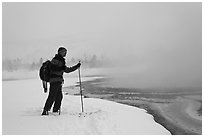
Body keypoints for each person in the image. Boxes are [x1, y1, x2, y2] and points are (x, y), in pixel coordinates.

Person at [42, 47, 81, 115]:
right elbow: (52, 68)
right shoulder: (56, 59)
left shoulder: (61, 60)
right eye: (64, 52)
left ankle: (55, 110)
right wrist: (61, 68)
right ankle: (45, 110)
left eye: (66, 52)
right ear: (60, 52)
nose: (65, 53)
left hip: (58, 81)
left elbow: (67, 70)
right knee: (52, 96)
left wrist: (76, 67)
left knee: (59, 96)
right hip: (54, 81)